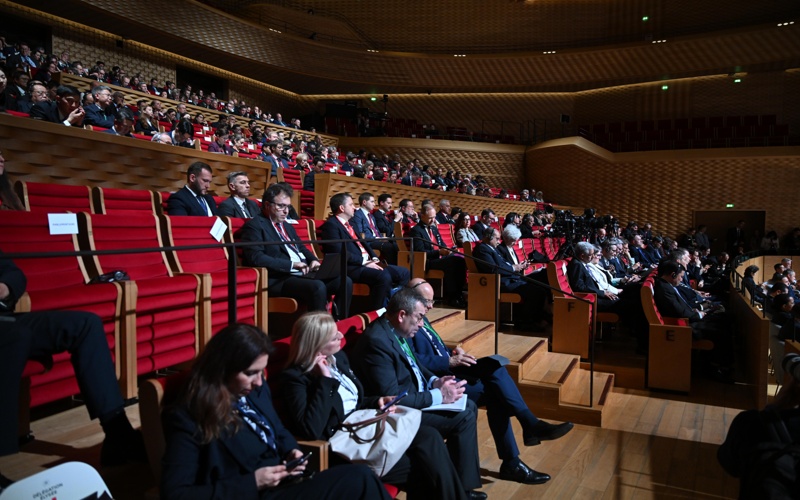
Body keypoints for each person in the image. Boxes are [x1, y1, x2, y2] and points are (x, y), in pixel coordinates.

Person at [160, 323, 389, 500]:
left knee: (363, 478)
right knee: (360, 479)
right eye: (251, 373)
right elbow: (176, 494)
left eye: (261, 372)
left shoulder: (253, 393)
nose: (259, 382)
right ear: (222, 370)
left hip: (287, 484)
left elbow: (278, 431)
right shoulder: (188, 417)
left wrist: (291, 451)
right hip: (253, 494)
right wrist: (254, 482)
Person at [279, 312, 468, 500]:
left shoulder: (337, 358)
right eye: (333, 336)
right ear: (316, 345)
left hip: (366, 426)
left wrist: (377, 401)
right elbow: (312, 428)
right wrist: (324, 382)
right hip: (344, 446)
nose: (341, 336)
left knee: (430, 436)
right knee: (423, 467)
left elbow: (356, 400)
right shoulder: (296, 378)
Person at [408, 279, 571, 484]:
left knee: (495, 368)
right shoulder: (407, 318)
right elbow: (412, 360)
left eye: (432, 301)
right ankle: (523, 440)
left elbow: (433, 347)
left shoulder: (423, 315)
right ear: (410, 298)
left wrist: (454, 353)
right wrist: (449, 360)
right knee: (497, 390)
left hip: (452, 369)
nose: (431, 306)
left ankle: (523, 440)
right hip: (440, 382)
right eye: (426, 301)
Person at [0, 254, 146, 479]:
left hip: (6, 318)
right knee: (15, 337)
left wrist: (5, 286)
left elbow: (13, 273)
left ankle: (117, 432)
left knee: (87, 324)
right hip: (8, 331)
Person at [351, 289, 487, 499]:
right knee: (464, 414)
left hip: (416, 396)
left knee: (467, 405)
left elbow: (415, 364)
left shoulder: (396, 330)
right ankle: (460, 490)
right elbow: (393, 399)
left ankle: (461, 487)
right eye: (420, 317)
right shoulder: (376, 342)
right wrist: (439, 396)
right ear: (402, 314)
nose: (422, 324)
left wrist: (434, 380)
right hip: (395, 414)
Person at [239, 183, 351, 317]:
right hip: (278, 277)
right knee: (317, 286)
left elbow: (301, 247)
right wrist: (292, 265)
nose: (286, 211)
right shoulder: (255, 226)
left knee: (345, 281)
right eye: (281, 206)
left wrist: (313, 260)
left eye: (288, 207)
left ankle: (340, 322)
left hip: (301, 273)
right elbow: (256, 258)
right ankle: (320, 333)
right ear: (267, 205)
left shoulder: (286, 225)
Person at [318, 193, 409, 309]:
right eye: (351, 204)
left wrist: (374, 257)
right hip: (350, 266)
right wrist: (364, 261)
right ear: (342, 208)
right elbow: (340, 253)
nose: (354, 207)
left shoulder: (351, 224)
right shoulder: (331, 226)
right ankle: (379, 314)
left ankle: (395, 305)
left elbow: (363, 243)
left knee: (403, 272)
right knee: (383, 276)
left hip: (366, 262)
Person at [472, 228, 550, 330]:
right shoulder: (482, 249)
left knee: (541, 284)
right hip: (502, 282)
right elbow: (493, 269)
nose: (499, 241)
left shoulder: (492, 248)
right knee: (536, 292)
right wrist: (514, 268)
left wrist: (516, 267)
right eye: (497, 238)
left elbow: (504, 264)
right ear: (488, 238)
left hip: (511, 278)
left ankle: (538, 318)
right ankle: (525, 322)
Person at [410, 204, 468, 307]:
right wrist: (439, 252)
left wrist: (449, 250)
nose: (433, 220)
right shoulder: (416, 231)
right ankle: (451, 297)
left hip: (440, 258)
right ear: (422, 215)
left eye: (434, 218)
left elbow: (442, 245)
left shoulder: (434, 228)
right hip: (427, 261)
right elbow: (420, 251)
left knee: (461, 260)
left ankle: (458, 294)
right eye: (430, 218)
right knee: (452, 262)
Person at [350, 192, 399, 265]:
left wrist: (382, 237)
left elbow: (376, 231)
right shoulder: (358, 215)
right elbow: (360, 233)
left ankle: (397, 268)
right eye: (372, 201)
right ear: (364, 202)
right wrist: (376, 238)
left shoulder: (371, 216)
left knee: (396, 244)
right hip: (369, 242)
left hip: (377, 240)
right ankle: (389, 268)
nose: (374, 204)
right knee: (389, 247)